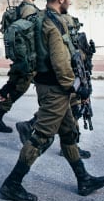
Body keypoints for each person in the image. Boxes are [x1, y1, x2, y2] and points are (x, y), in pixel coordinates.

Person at [0, 0, 104, 201]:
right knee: (41, 137)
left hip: (52, 87)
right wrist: (78, 88)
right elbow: (60, 63)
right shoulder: (51, 23)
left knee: (68, 133)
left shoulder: (42, 18)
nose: (70, 1)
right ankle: (12, 183)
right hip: (56, 89)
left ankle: (83, 178)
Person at [14, 12, 92, 159]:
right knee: (48, 128)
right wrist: (74, 85)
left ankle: (82, 176)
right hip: (59, 81)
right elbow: (63, 58)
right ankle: (14, 179)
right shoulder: (56, 22)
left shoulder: (48, 19)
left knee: (65, 123)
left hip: (54, 80)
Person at [0, 0, 40, 132]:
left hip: (23, 57)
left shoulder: (23, 8)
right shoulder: (29, 10)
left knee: (16, 83)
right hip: (28, 57)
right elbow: (29, 36)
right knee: (20, 86)